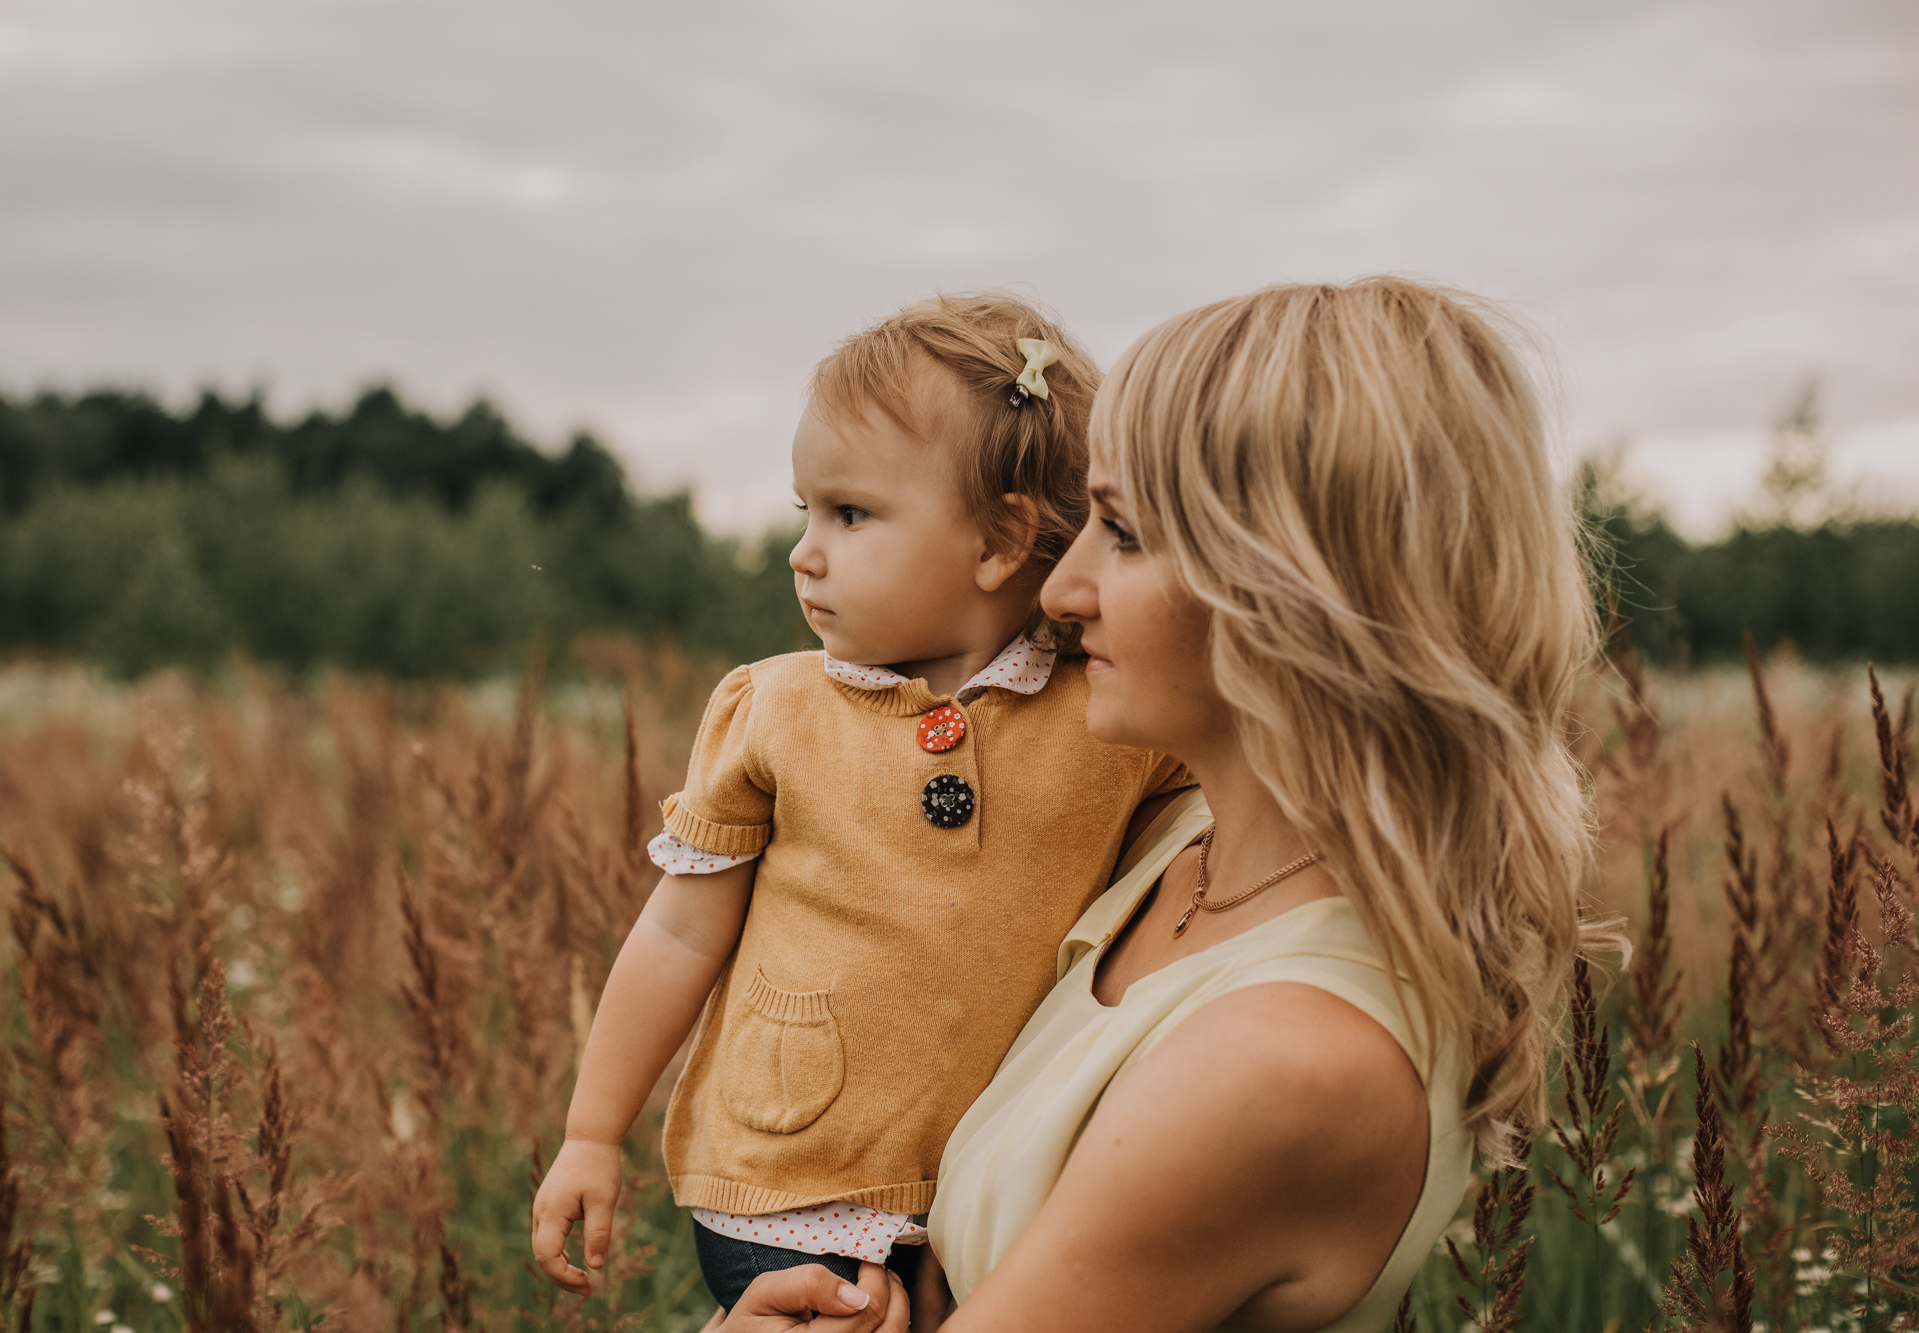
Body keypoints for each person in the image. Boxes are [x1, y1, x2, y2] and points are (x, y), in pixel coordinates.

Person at [713, 276, 1608, 1332]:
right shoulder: (1184, 849)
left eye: (1122, 532)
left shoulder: (1285, 1059)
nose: (1058, 588)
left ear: (1291, 587)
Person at [529, 292, 1192, 1310]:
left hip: (989, 1185)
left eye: (849, 514)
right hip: (787, 1188)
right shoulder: (775, 709)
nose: (804, 551)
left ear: (999, 540)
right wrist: (590, 1129)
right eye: (806, 512)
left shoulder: (1102, 716)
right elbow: (675, 935)